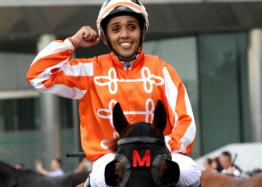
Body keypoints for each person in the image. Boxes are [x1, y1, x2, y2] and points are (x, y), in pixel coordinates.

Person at [26, 0, 201, 186]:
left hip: (160, 154)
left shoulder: (163, 70)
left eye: (132, 27)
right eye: (116, 29)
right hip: (110, 159)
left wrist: (163, 146)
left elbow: (186, 122)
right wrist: (72, 43)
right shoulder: (90, 70)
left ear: (143, 31)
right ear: (105, 36)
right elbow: (38, 75)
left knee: (191, 171)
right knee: (102, 177)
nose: (124, 35)